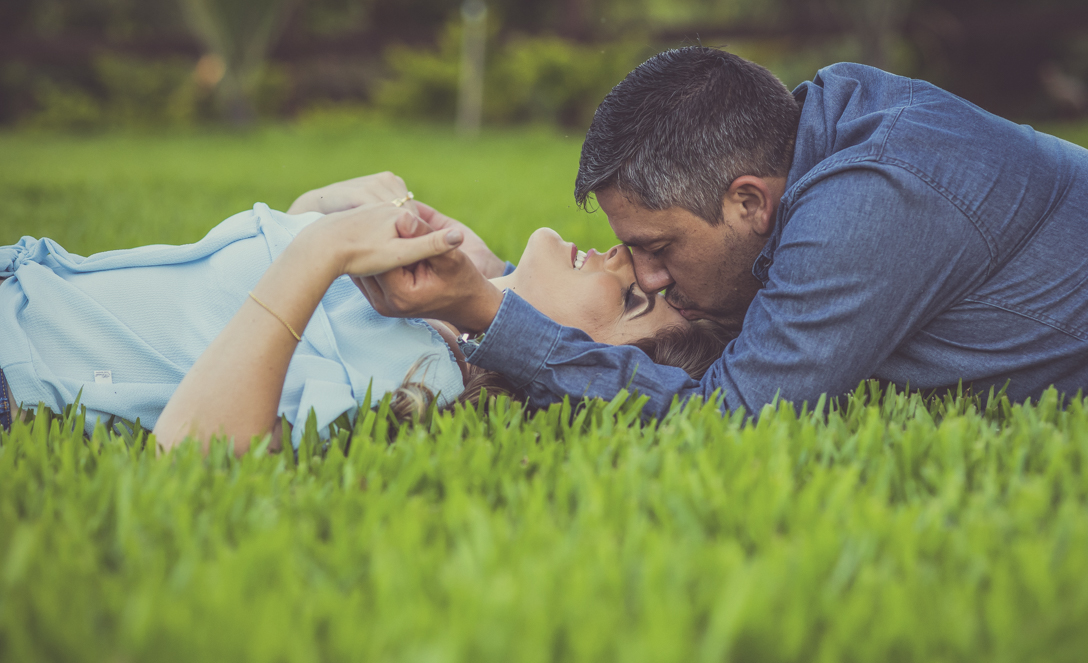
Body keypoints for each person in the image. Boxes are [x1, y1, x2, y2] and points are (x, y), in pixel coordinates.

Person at [358, 48, 1088, 416]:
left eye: (658, 249)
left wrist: (495, 320)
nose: (645, 277)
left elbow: (727, 422)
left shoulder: (869, 207)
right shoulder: (823, 125)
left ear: (749, 202)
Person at [0, 174, 729, 452]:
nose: (621, 258)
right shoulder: (430, 308)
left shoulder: (417, 379)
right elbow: (209, 310)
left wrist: (318, 252)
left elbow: (193, 452)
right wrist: (311, 212)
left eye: (632, 299)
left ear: (573, 361)